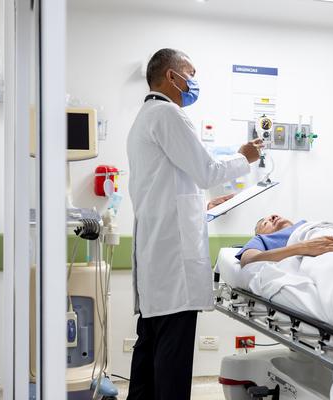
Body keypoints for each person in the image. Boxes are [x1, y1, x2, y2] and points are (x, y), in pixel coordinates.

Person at [126, 48, 263, 400]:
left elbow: (162, 190)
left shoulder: (145, 118)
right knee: (170, 370)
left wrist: (201, 207)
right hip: (173, 270)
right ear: (171, 76)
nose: (194, 82)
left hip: (158, 260)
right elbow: (207, 172)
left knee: (148, 365)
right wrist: (244, 158)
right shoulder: (168, 114)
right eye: (191, 73)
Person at [237, 214, 333, 267]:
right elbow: (248, 260)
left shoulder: (306, 225)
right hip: (321, 254)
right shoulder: (262, 239)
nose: (272, 217)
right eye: (265, 223)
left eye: (273, 215)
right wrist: (304, 247)